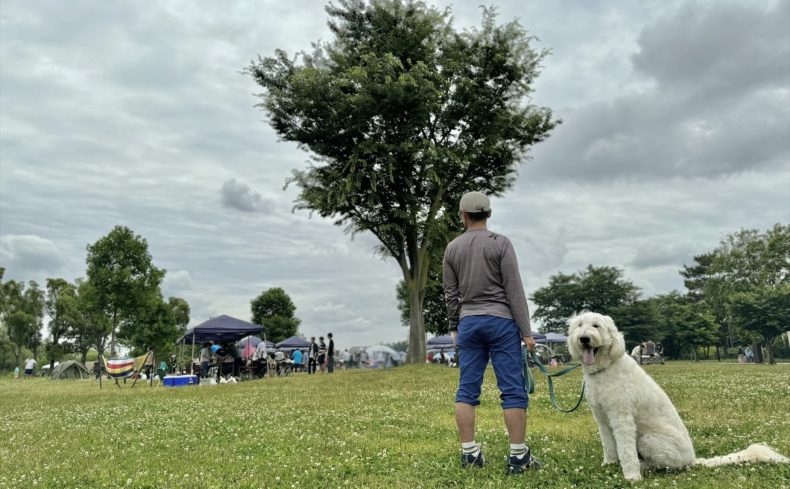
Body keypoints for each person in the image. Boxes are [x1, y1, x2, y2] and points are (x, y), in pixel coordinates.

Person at [442, 191, 540, 474]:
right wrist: (526, 332)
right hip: (501, 323)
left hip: (469, 323)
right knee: (512, 389)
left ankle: (470, 453)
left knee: (466, 389)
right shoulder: (501, 243)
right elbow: (514, 289)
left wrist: (455, 326)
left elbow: (451, 294)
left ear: (463, 216)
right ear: (489, 214)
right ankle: (518, 457)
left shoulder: (452, 248)